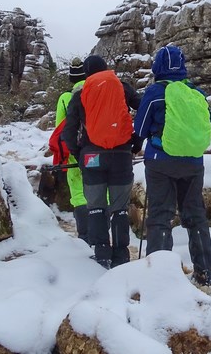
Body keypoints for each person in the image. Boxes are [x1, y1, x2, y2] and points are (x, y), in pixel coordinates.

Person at [133, 44, 211, 287]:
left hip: (161, 163)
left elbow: (140, 129)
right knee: (196, 216)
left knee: (160, 216)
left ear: (157, 67)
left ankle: (160, 276)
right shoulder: (196, 93)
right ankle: (204, 273)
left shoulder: (155, 92)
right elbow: (210, 125)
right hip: (193, 163)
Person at [62, 55, 142, 269]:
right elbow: (142, 109)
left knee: (96, 207)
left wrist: (79, 154)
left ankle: (102, 255)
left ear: (86, 73)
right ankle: (122, 256)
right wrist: (136, 140)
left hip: (92, 156)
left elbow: (68, 132)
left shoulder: (80, 94)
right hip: (122, 155)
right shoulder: (122, 87)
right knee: (120, 208)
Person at [54, 57, 89, 243]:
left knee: (79, 194)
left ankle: (84, 237)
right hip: (100, 150)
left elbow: (60, 128)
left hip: (75, 153)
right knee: (102, 193)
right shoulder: (96, 91)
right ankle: (102, 235)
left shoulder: (65, 98)